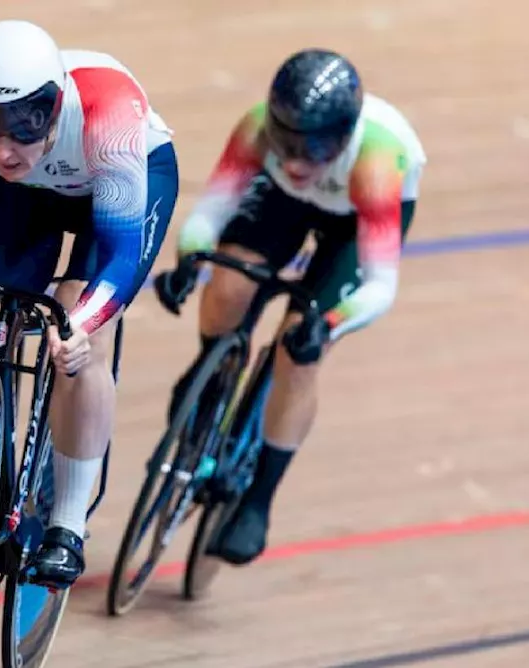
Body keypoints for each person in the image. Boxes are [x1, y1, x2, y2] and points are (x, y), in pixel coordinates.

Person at [0, 19, 179, 589]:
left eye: (21, 129)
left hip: (116, 190)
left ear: (54, 106)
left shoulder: (109, 113)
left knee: (79, 337)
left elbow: (120, 252)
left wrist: (86, 323)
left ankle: (67, 525)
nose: (1, 148)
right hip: (28, 197)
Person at [154, 48, 427, 565]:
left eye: (316, 147)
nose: (299, 161)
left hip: (353, 219)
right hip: (283, 201)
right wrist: (192, 262)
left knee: (297, 353)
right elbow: (208, 215)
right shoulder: (257, 128)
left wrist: (327, 324)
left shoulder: (375, 161)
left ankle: (259, 501)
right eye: (288, 144)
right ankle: (210, 367)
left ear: (345, 135)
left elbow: (379, 284)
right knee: (231, 284)